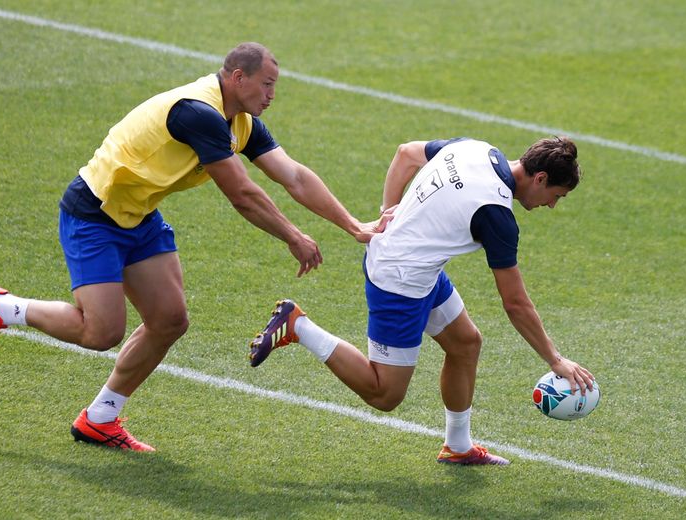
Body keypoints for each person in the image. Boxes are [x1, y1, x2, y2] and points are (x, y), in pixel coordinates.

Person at [0, 42, 380, 452]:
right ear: (237, 77)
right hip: (95, 214)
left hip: (139, 215)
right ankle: (1, 307)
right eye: (266, 84)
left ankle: (100, 419)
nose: (272, 95)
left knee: (169, 320)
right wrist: (293, 236)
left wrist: (352, 225)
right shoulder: (197, 113)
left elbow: (295, 176)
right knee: (101, 331)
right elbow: (242, 194)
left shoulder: (241, 121)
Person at [249, 135, 596, 465]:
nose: (551, 205)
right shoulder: (496, 214)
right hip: (399, 281)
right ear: (540, 177)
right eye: (556, 196)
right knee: (385, 395)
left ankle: (457, 447)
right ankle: (298, 325)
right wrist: (555, 360)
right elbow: (515, 303)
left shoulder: (474, 149)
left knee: (465, 343)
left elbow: (406, 154)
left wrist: (389, 210)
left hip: (418, 268)